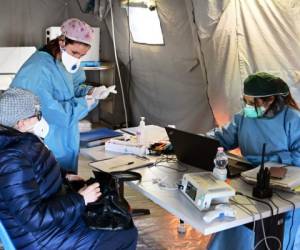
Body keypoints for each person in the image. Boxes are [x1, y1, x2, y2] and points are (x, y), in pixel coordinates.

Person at [0, 87, 137, 250]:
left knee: (113, 215)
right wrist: (81, 199)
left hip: (51, 222)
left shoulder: (19, 140)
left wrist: (65, 175)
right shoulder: (11, 160)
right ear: (20, 122)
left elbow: (36, 172)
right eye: (36, 116)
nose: (40, 119)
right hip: (42, 239)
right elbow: (34, 219)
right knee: (125, 234)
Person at [207, 72, 300, 250]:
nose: (247, 106)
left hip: (284, 191)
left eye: (252, 102)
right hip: (248, 180)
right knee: (235, 225)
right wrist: (198, 141)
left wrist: (275, 161)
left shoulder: (293, 119)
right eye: (246, 100)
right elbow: (223, 138)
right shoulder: (243, 117)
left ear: (271, 99)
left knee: (274, 234)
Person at [11, 18, 116, 173]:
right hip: (44, 141)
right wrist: (85, 103)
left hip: (65, 138)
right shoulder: (38, 69)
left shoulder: (66, 62)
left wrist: (91, 91)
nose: (77, 58)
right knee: (50, 184)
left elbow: (74, 87)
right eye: (75, 52)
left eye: (82, 55)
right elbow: (55, 114)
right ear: (62, 41)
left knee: (69, 185)